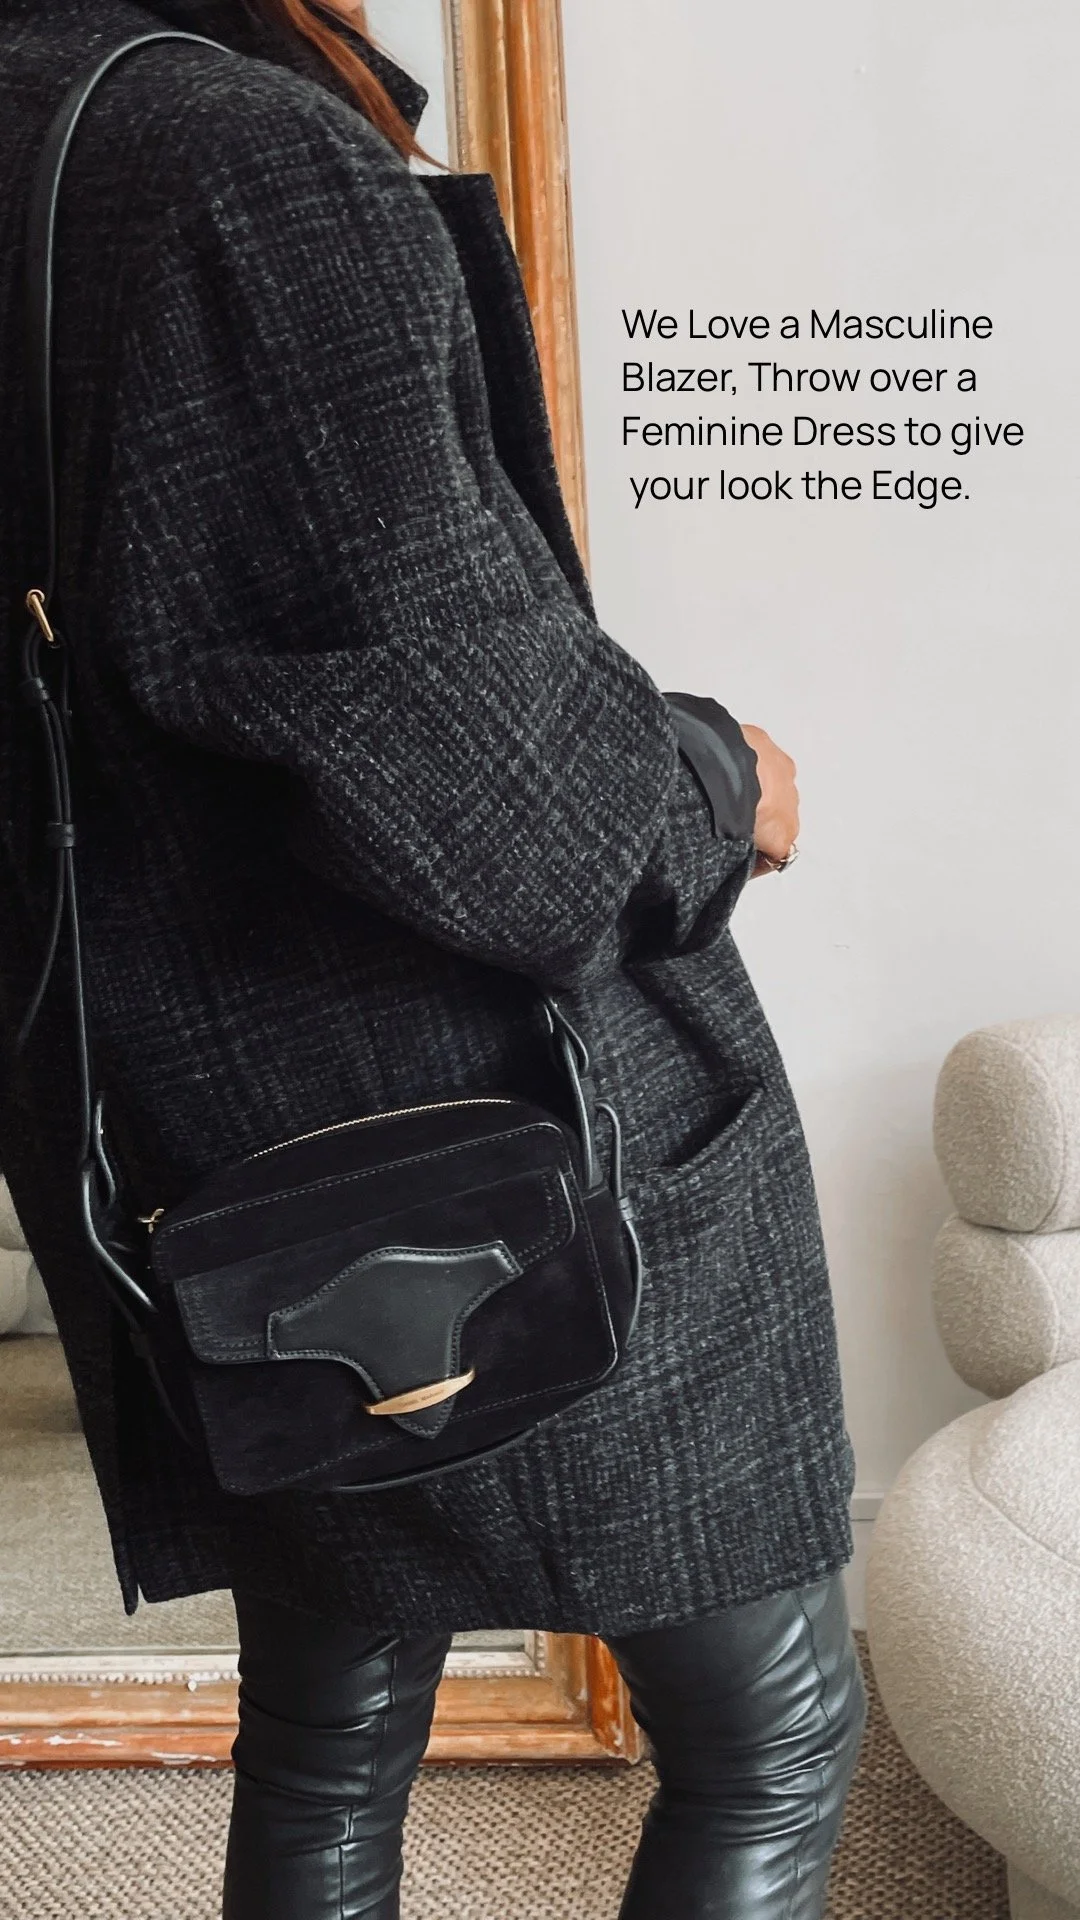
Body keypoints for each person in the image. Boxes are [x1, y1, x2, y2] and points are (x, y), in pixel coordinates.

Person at [0, 0, 867, 1913]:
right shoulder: (234, 165)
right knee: (777, 1731)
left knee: (328, 1720)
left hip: (209, 1122)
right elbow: (508, 805)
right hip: (488, 1108)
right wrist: (723, 782)